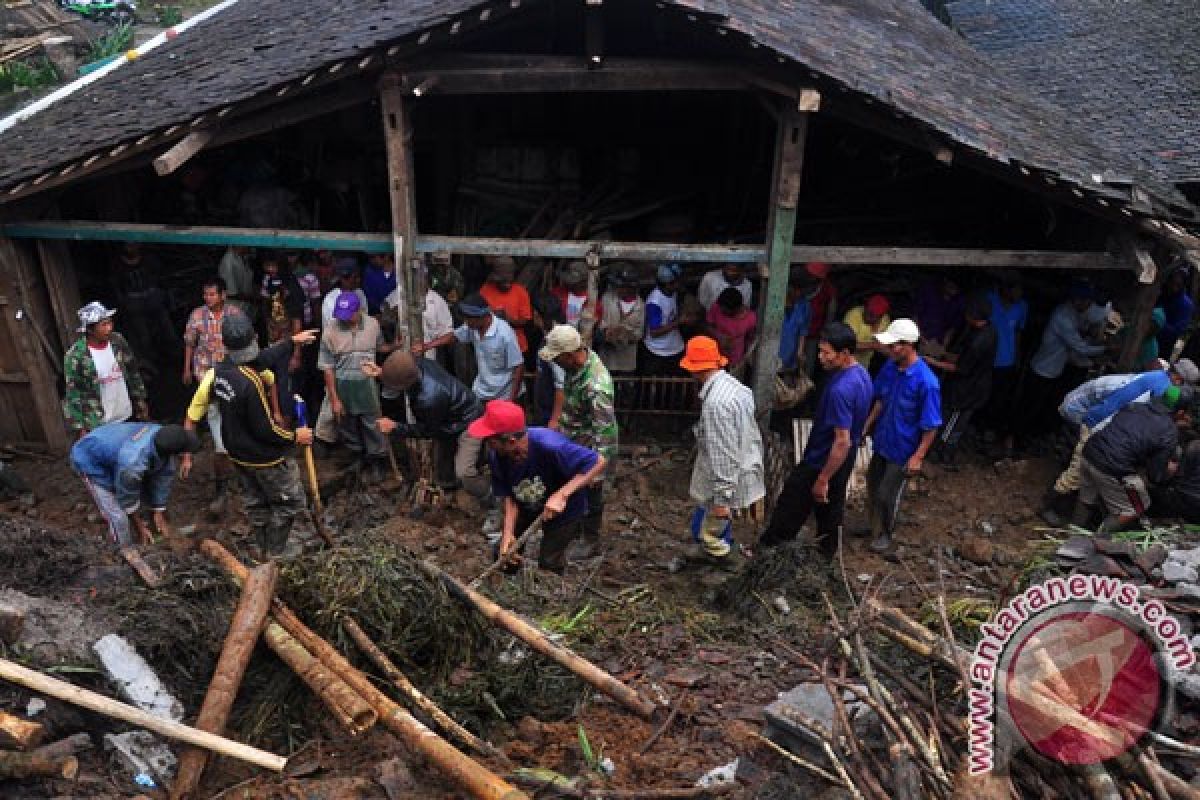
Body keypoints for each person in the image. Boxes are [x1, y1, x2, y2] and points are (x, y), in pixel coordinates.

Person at [192, 314, 316, 557]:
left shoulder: (220, 370)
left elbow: (261, 358)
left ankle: (262, 546)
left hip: (238, 453)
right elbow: (265, 429)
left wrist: (291, 342)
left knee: (256, 502)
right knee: (290, 502)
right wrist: (294, 437)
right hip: (263, 457)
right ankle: (276, 551)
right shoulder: (251, 383)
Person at [1039, 358, 1199, 524]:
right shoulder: (1161, 390)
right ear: (1178, 380)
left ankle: (1078, 515)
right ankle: (1048, 505)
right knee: (1077, 472)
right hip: (1101, 423)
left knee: (1088, 474)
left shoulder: (1157, 376)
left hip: (1104, 417)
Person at [760, 322, 872, 555]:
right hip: (843, 460)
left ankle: (768, 551)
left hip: (823, 459)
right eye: (820, 351)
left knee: (791, 503)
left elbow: (841, 441)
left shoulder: (840, 390)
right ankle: (827, 556)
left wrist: (822, 478)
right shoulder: (862, 375)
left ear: (844, 354)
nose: (821, 357)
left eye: (826, 353)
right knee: (830, 510)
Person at [471, 399, 608, 574]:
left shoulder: (550, 446)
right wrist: (507, 532)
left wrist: (563, 495)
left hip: (565, 510)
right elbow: (509, 495)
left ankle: (552, 590)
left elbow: (598, 461)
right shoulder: (497, 456)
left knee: (549, 561)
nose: (488, 444)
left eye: (491, 440)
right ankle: (508, 587)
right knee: (505, 553)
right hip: (526, 503)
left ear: (511, 441)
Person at [679, 336, 765, 565]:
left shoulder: (716, 404)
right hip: (745, 463)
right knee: (709, 521)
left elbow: (723, 454)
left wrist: (722, 498)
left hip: (727, 474)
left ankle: (724, 563)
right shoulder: (738, 388)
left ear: (694, 369)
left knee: (712, 531)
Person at [860, 319, 942, 555]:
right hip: (884, 439)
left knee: (888, 493)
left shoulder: (926, 383)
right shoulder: (891, 367)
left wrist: (918, 456)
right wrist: (867, 425)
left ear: (908, 345)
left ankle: (886, 533)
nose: (890, 349)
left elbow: (931, 425)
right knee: (874, 484)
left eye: (895, 345)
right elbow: (881, 399)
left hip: (904, 447)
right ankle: (872, 525)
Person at [366, 351, 488, 504]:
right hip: (450, 415)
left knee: (464, 472)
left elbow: (429, 431)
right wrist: (382, 373)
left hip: (469, 421)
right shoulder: (417, 364)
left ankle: (489, 497)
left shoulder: (429, 397)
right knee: (444, 461)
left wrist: (395, 427)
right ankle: (448, 490)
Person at [540, 325, 618, 558]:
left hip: (590, 449)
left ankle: (590, 540)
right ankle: (571, 529)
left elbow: (606, 432)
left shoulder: (596, 386)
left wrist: (598, 470)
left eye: (557, 358)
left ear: (570, 354)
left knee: (593, 496)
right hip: (572, 439)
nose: (555, 362)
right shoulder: (575, 367)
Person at [1076, 385, 1192, 532]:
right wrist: (1169, 470)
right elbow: (1155, 476)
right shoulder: (1169, 432)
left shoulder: (1135, 407)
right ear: (1181, 412)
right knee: (1135, 508)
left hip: (1090, 452)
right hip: (1112, 467)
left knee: (1087, 497)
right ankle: (1096, 540)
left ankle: (1072, 532)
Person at [71, 422, 200, 550]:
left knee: (139, 488)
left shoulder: (162, 434)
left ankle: (152, 529)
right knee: (119, 518)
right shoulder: (132, 462)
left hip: (114, 448)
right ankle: (123, 551)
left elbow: (163, 475)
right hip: (90, 460)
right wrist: (140, 528)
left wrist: (158, 510)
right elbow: (127, 498)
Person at [182, 278, 245, 514]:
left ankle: (242, 477)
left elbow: (247, 341)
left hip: (233, 375)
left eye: (212, 295)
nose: (208, 299)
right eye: (205, 295)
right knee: (216, 422)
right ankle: (221, 489)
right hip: (206, 374)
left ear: (223, 295)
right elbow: (190, 342)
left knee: (238, 422)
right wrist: (186, 368)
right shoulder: (197, 315)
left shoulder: (235, 313)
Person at [319, 291, 393, 481]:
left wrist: (396, 346)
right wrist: (334, 399)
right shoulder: (330, 332)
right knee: (347, 423)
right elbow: (327, 367)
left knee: (372, 423)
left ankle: (377, 459)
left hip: (367, 383)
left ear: (358, 310)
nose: (343, 319)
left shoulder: (372, 325)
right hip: (342, 384)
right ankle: (357, 457)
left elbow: (380, 347)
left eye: (348, 315)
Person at [1023, 283, 1108, 435]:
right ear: (1077, 300)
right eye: (1087, 302)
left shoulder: (1073, 313)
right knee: (1029, 407)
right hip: (1043, 370)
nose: (1089, 307)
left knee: (1040, 406)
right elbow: (1080, 347)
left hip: (1054, 370)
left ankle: (1028, 438)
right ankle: (1014, 441)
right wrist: (1106, 349)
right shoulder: (1063, 317)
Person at [924, 295, 997, 467]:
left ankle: (943, 454)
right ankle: (938, 449)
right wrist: (943, 353)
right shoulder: (988, 330)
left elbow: (960, 368)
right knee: (948, 418)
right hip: (969, 384)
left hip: (968, 391)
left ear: (973, 316)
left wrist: (933, 361)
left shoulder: (979, 342)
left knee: (953, 423)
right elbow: (963, 359)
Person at [63, 302, 149, 438]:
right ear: (90, 329)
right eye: (103, 325)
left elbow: (132, 371)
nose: (109, 328)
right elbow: (74, 393)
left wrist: (140, 399)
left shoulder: (117, 341)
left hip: (125, 413)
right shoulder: (76, 355)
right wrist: (80, 427)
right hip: (98, 422)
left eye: (109, 323)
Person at [418, 294, 525, 402]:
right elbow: (454, 336)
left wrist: (511, 400)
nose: (466, 322)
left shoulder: (505, 334)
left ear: (483, 317)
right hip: (482, 391)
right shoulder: (472, 327)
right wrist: (427, 346)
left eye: (469, 319)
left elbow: (518, 367)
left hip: (504, 395)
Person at [984, 273, 1028, 459]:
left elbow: (1018, 332)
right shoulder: (990, 300)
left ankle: (990, 429)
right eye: (1015, 290)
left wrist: (1017, 356)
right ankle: (979, 426)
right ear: (1005, 289)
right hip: (985, 358)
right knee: (982, 393)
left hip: (1006, 360)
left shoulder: (1022, 307)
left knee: (999, 397)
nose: (1019, 294)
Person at [109, 242, 176, 362]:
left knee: (167, 330)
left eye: (134, 244)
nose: (132, 247)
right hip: (134, 304)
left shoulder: (149, 260)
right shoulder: (117, 265)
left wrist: (168, 297)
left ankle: (174, 357)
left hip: (154, 299)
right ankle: (152, 362)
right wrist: (123, 305)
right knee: (143, 335)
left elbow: (162, 279)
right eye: (128, 245)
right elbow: (117, 288)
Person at [595, 265, 645, 374]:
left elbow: (640, 333)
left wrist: (626, 335)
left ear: (632, 288)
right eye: (618, 286)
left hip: (627, 361)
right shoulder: (607, 298)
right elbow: (598, 322)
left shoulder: (640, 305)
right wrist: (606, 333)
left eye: (622, 286)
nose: (619, 289)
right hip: (606, 359)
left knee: (625, 387)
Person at [479, 256, 534, 355]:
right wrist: (492, 317)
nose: (507, 285)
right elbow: (478, 317)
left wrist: (508, 318)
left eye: (509, 281)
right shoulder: (486, 290)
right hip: (491, 345)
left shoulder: (520, 292)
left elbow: (525, 321)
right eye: (502, 281)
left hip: (516, 345)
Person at [642, 263, 686, 374]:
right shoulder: (655, 303)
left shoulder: (672, 292)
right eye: (677, 282)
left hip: (675, 347)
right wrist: (679, 321)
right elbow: (654, 332)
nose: (680, 284)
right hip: (659, 351)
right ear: (668, 284)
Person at [706, 287, 758, 370]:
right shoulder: (716, 307)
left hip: (735, 362)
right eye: (721, 308)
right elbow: (707, 326)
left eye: (725, 311)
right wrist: (719, 336)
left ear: (737, 308)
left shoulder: (751, 318)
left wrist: (745, 359)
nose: (722, 311)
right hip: (714, 359)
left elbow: (750, 339)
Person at [1149, 441, 1200, 524]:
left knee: (1148, 494)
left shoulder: (1194, 446)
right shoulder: (1194, 446)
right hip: (1191, 504)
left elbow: (1175, 475)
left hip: (1187, 503)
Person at [801, 262, 837, 377]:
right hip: (795, 331)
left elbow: (831, 312)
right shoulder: (801, 284)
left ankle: (803, 390)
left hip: (814, 334)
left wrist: (826, 332)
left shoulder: (827, 289)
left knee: (808, 364)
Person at [914, 275, 965, 354]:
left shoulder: (959, 301)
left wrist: (944, 345)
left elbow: (954, 327)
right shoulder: (928, 291)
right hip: (922, 338)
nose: (953, 291)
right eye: (951, 287)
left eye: (956, 289)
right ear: (945, 282)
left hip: (940, 343)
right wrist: (920, 337)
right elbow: (915, 315)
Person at [843, 294, 891, 372]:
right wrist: (874, 345)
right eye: (867, 311)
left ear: (880, 317)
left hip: (862, 365)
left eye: (872, 315)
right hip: (842, 363)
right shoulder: (853, 315)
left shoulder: (884, 321)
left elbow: (884, 345)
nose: (867, 316)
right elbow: (847, 344)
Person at [1157, 266, 1195, 358]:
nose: (1173, 287)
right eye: (1172, 283)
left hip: (1164, 344)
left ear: (1183, 285)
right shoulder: (1162, 293)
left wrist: (1158, 323)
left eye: (1178, 285)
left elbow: (1177, 330)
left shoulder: (1186, 305)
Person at [321, 259, 369, 325]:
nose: (359, 280)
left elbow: (364, 318)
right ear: (343, 279)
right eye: (355, 277)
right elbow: (334, 326)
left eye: (359, 276)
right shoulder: (331, 299)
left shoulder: (360, 293)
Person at [778, 280, 812, 372]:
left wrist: (800, 351)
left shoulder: (804, 306)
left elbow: (803, 331)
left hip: (792, 350)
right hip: (776, 348)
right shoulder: (776, 304)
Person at [217, 246, 256, 317]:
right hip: (234, 309)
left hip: (245, 307)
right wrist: (253, 298)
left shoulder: (242, 256)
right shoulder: (228, 262)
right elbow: (231, 293)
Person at [552, 261, 591, 330]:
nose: (569, 284)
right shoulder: (557, 292)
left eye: (574, 282)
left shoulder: (590, 300)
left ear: (583, 282)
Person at [363, 252, 398, 317]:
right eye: (370, 257)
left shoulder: (399, 270)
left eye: (373, 257)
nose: (371, 261)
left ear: (387, 256)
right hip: (377, 315)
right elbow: (369, 297)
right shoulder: (369, 272)